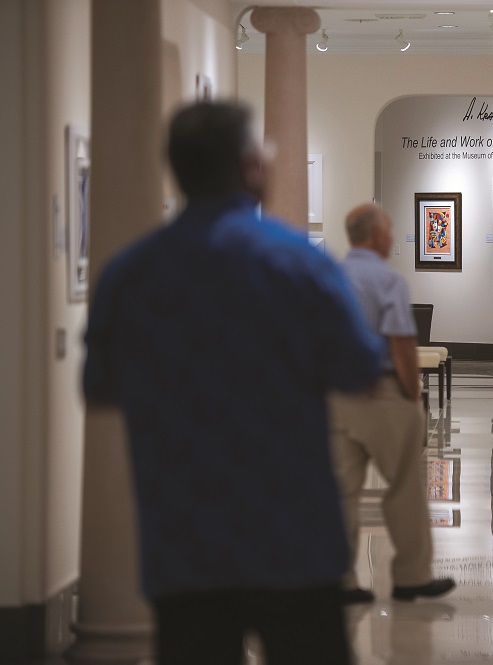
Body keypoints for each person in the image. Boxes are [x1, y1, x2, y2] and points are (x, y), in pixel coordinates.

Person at [82, 101, 385, 665]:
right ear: (251, 167)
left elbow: (99, 388)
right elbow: (362, 371)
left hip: (183, 539)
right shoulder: (301, 263)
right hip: (293, 536)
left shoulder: (130, 273)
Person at [329, 203, 456, 604]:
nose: (393, 236)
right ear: (376, 235)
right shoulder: (387, 280)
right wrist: (412, 393)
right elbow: (402, 343)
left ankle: (340, 580)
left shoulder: (329, 275)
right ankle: (411, 577)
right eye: (389, 229)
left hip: (336, 395)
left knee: (342, 491)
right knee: (405, 486)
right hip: (383, 393)